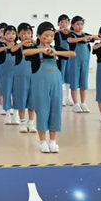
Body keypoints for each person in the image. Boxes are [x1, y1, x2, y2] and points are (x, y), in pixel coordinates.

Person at [23, 22, 76, 153]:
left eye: (52, 36)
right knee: (42, 111)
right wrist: (41, 50)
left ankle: (53, 141)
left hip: (56, 85)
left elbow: (72, 53)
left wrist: (56, 52)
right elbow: (25, 52)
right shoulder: (35, 50)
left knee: (55, 111)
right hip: (40, 86)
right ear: (38, 36)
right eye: (46, 35)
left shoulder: (56, 49)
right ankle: (42, 141)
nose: (49, 38)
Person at [11, 23, 37, 133]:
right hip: (20, 79)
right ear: (19, 35)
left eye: (28, 33)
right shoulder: (18, 47)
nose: (26, 35)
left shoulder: (35, 47)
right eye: (23, 34)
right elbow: (12, 50)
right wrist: (22, 43)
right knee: (21, 100)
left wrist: (35, 43)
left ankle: (31, 122)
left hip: (34, 78)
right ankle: (22, 122)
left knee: (32, 100)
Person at [66, 16, 95, 113]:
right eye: (77, 24)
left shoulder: (85, 34)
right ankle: (75, 104)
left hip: (85, 63)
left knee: (84, 83)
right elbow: (70, 40)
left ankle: (83, 103)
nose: (80, 26)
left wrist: (90, 37)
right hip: (74, 62)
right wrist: (83, 38)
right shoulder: (71, 35)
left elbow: (97, 37)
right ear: (72, 25)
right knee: (74, 83)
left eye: (81, 24)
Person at [0, 25, 17, 121]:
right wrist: (6, 47)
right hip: (5, 73)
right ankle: (7, 112)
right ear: (4, 35)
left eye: (13, 33)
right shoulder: (1, 45)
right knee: (6, 92)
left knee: (16, 93)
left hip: (16, 73)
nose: (11, 35)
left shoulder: (18, 45)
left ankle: (16, 114)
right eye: (8, 33)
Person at [54, 15, 73, 106]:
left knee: (69, 78)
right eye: (62, 22)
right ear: (58, 24)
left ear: (69, 23)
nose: (64, 24)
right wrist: (59, 30)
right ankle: (61, 98)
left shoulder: (71, 34)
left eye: (66, 22)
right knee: (60, 78)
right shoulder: (57, 34)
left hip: (71, 58)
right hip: (61, 58)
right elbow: (57, 46)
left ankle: (68, 97)